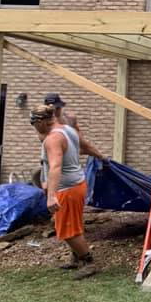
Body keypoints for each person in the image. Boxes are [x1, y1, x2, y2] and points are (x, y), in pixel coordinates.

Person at [30, 104, 97, 279]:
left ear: (41, 121)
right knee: (71, 225)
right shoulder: (68, 129)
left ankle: (88, 262)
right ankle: (76, 257)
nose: (34, 127)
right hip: (77, 184)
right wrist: (102, 157)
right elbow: (85, 146)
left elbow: (55, 167)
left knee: (68, 231)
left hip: (67, 190)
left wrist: (52, 196)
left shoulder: (53, 139)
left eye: (33, 123)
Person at [43, 92, 108, 162]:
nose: (55, 111)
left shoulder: (70, 119)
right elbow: (47, 141)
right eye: (51, 110)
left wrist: (101, 157)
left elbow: (83, 143)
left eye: (57, 108)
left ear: (60, 107)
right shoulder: (43, 123)